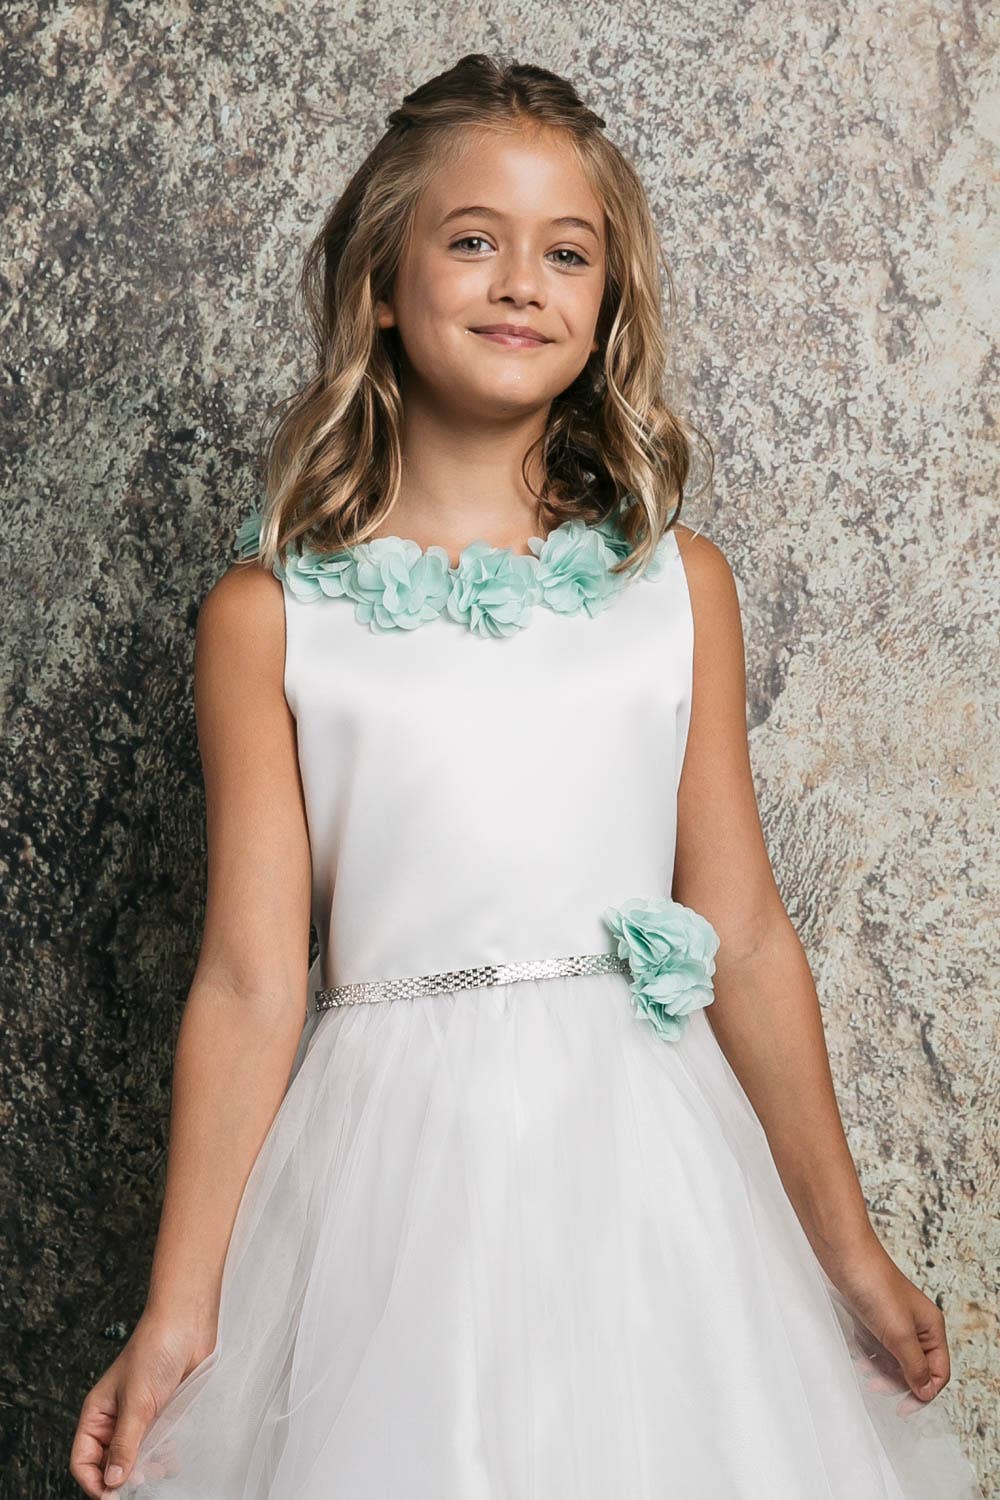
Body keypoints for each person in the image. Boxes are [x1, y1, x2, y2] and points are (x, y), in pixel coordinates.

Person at [69, 51, 982, 1500]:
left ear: (608, 302)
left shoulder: (674, 587)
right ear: (383, 280)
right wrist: (178, 1314)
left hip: (645, 1182)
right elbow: (248, 978)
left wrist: (848, 1250)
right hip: (392, 1193)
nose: (520, 284)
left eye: (567, 253)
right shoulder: (272, 616)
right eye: (472, 240)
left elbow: (744, 932)